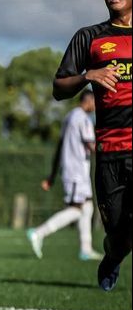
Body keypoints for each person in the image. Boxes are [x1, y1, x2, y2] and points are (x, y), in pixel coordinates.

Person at [52, 0, 131, 291]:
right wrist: (88, 76)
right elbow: (58, 88)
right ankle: (112, 256)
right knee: (119, 233)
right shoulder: (90, 37)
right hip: (109, 154)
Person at [27, 91, 102, 260]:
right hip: (77, 172)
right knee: (77, 209)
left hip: (72, 171)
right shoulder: (83, 118)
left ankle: (86, 249)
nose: (97, 107)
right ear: (88, 101)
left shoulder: (69, 117)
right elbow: (91, 145)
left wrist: (52, 176)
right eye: (95, 102)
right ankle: (39, 232)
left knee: (88, 206)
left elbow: (60, 147)